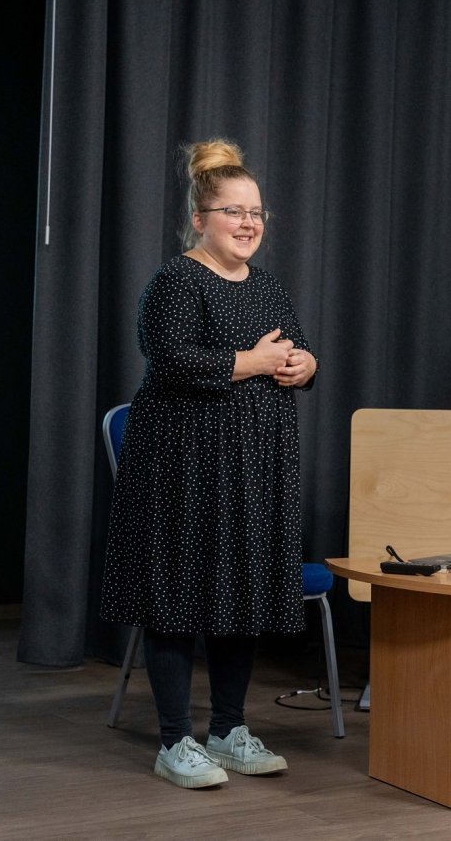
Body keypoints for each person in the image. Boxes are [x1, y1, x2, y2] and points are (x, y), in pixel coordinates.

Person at [100, 138, 318, 789]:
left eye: (256, 212)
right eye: (233, 211)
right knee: (176, 594)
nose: (249, 223)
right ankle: (175, 741)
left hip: (252, 467)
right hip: (183, 466)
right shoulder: (176, 280)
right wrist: (253, 361)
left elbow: (296, 348)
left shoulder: (267, 286)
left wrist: (305, 365)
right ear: (200, 218)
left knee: (239, 591)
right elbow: (170, 358)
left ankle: (227, 730)